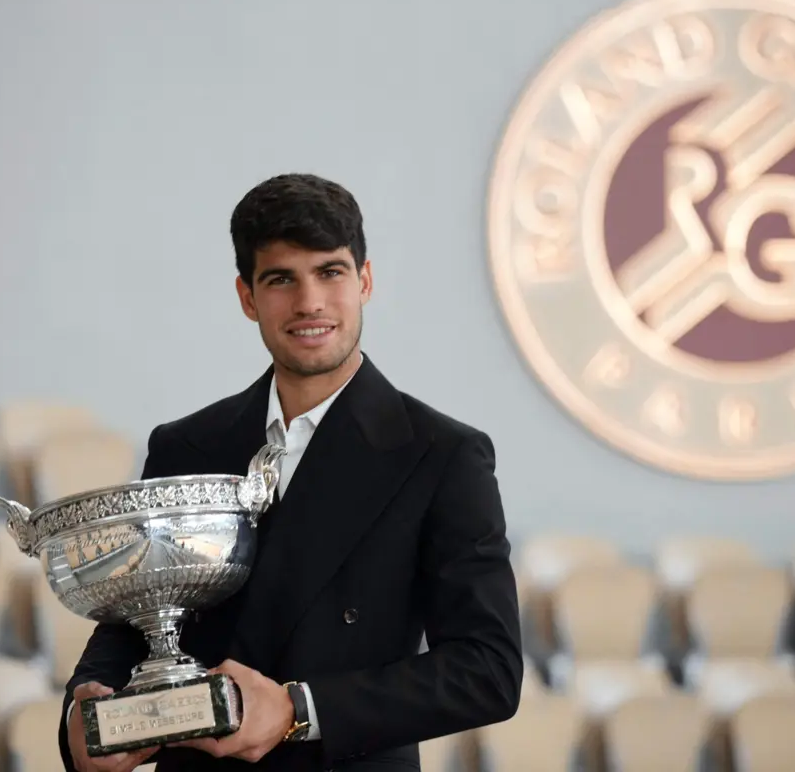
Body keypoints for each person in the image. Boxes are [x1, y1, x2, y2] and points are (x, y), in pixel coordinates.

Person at [59, 173, 523, 771]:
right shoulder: (185, 445)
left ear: (365, 280)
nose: (309, 303)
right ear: (247, 296)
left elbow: (487, 669)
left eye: (330, 272)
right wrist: (82, 715)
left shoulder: (442, 455)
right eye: (281, 279)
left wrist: (297, 709)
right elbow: (135, 622)